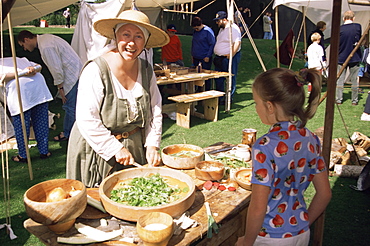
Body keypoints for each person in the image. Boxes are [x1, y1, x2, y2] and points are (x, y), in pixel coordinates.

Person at [66, 10, 169, 188]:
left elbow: (155, 109)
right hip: (96, 149)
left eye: (139, 36)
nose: (131, 43)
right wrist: (115, 148)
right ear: (116, 36)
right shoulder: (96, 70)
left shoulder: (146, 69)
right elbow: (86, 119)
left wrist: (152, 144)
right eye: (126, 35)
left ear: (145, 42)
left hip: (134, 145)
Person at [236, 68, 332, 246]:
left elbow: (258, 208)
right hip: (301, 233)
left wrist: (247, 242)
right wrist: (302, 224)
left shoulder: (264, 147)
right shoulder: (311, 139)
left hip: (269, 237)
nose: (256, 108)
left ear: (270, 106)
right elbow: (325, 193)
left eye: (256, 103)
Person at [17, 30, 83, 142]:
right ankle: (73, 133)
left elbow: (56, 69)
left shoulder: (46, 46)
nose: (24, 49)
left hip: (72, 75)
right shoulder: (45, 39)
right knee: (72, 106)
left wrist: (60, 88)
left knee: (70, 107)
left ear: (27, 40)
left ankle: (68, 134)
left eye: (23, 45)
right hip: (76, 72)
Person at [0, 57, 53, 162]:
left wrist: (32, 69)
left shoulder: (17, 59)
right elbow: (3, 78)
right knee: (39, 121)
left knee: (22, 125)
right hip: (34, 89)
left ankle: (24, 155)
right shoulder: (17, 59)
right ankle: (43, 151)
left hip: (24, 91)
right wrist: (23, 72)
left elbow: (38, 66)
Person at [213, 11, 242, 104]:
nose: (217, 23)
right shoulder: (222, 29)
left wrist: (231, 55)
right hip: (219, 57)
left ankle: (229, 98)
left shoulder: (233, 28)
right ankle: (220, 96)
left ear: (224, 20)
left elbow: (237, 42)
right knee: (219, 78)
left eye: (218, 21)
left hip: (228, 57)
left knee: (230, 77)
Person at [336, 10, 362, 106]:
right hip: (354, 56)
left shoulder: (340, 29)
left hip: (342, 56)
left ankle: (339, 99)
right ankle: (354, 100)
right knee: (354, 79)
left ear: (344, 18)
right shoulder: (357, 27)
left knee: (340, 79)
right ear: (353, 18)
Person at [191, 16, 215, 90]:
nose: (196, 30)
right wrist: (192, 54)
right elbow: (193, 43)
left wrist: (208, 56)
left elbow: (212, 44)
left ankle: (206, 89)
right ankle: (197, 89)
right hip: (196, 56)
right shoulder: (196, 31)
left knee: (205, 75)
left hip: (204, 57)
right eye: (195, 29)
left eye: (197, 28)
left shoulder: (208, 31)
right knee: (196, 75)